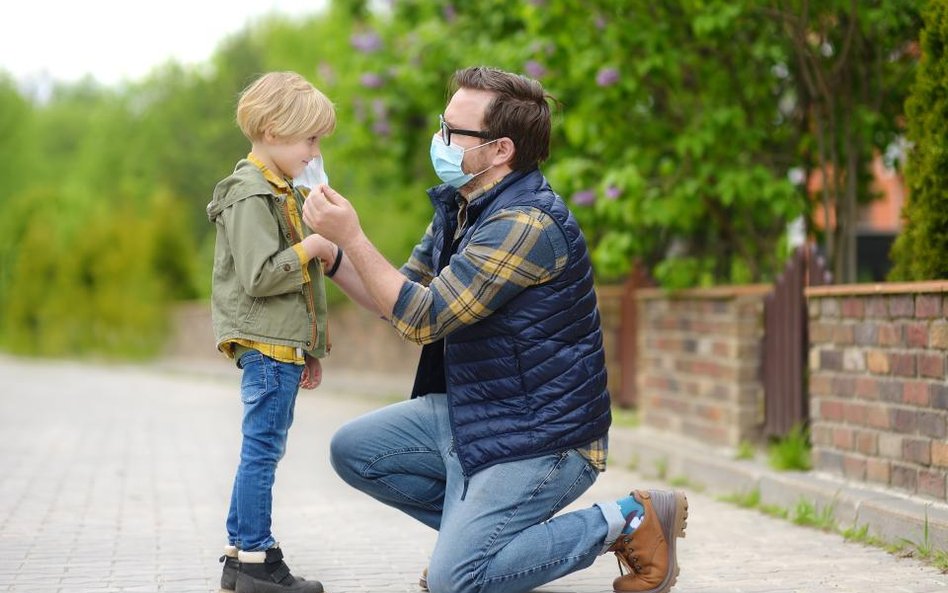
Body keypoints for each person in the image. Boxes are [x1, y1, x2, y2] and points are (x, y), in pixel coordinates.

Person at [302, 66, 688, 593]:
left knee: (454, 584)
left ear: (501, 149)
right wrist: (334, 254)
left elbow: (423, 317)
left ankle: (629, 519)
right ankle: (483, 548)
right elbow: (395, 294)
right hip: (477, 413)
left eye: (453, 132)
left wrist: (355, 233)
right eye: (443, 124)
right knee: (355, 449)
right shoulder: (462, 209)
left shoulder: (526, 224)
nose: (439, 139)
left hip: (542, 436)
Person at [207, 71, 337, 593]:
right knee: (261, 451)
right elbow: (261, 276)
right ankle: (256, 557)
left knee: (263, 449)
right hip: (265, 350)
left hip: (281, 347)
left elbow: (294, 292)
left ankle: (242, 555)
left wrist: (309, 348)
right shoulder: (249, 193)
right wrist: (315, 246)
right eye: (309, 139)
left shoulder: (279, 191)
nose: (314, 151)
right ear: (273, 130)